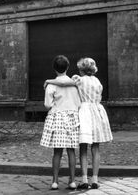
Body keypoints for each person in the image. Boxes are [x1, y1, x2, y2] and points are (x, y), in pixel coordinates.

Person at [44, 57, 113, 189]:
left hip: (85, 112)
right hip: (97, 111)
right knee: (96, 147)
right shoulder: (97, 81)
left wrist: (48, 81)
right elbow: (99, 96)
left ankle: (84, 179)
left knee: (83, 147)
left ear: (81, 69)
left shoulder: (78, 80)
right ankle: (95, 179)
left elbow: (63, 83)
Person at [40, 55, 81, 190]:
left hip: (57, 117)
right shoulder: (75, 84)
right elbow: (79, 103)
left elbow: (47, 105)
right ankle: (72, 181)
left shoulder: (51, 85)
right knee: (71, 151)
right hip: (72, 118)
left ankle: (55, 181)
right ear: (68, 67)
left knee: (57, 152)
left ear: (54, 68)